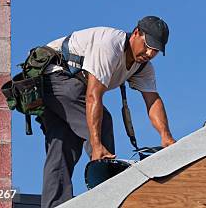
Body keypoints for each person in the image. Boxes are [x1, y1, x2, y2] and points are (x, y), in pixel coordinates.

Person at [38, 16, 175, 208]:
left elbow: (152, 100)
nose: (150, 53)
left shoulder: (143, 66)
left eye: (156, 50)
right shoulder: (110, 45)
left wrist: (166, 138)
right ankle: (108, 196)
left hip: (61, 86)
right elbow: (93, 96)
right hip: (56, 76)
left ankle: (54, 205)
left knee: (63, 144)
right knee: (103, 124)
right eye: (147, 45)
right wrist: (96, 146)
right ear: (136, 33)